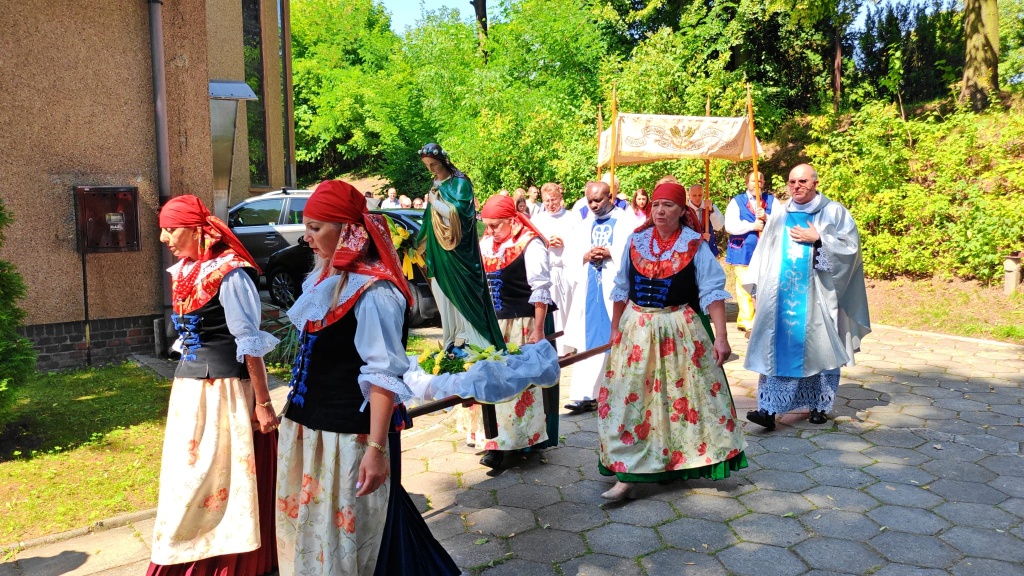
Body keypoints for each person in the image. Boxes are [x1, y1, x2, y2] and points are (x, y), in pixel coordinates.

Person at [276, 180, 457, 576]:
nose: (306, 238)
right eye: (306, 227)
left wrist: (376, 450)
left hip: (350, 438)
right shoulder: (322, 281)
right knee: (317, 534)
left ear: (348, 231)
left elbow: (382, 376)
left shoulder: (375, 293)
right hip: (313, 432)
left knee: (361, 536)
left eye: (315, 228)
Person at [150, 195, 279, 576]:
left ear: (197, 230)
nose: (163, 238)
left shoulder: (231, 273)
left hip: (225, 392)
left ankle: (229, 561)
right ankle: (190, 554)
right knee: (188, 479)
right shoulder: (187, 269)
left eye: (170, 229)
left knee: (220, 478)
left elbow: (249, 343)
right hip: (190, 393)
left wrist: (262, 402)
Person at [597, 182, 747, 500]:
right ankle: (627, 473)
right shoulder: (635, 241)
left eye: (668, 205)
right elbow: (622, 288)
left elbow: (712, 293)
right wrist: (614, 329)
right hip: (637, 330)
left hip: (679, 329)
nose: (660, 211)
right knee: (633, 400)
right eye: (656, 205)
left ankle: (671, 462)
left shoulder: (694, 245)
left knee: (680, 399)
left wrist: (721, 338)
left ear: (682, 211)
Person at [743, 164, 871, 429]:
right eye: (792, 182)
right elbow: (765, 251)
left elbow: (850, 249)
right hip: (780, 297)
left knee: (819, 348)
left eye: (802, 181)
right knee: (774, 348)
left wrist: (820, 239)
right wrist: (757, 287)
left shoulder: (833, 212)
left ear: (815, 183)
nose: (796, 186)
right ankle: (768, 410)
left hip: (818, 296)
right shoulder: (780, 214)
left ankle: (818, 406)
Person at [460, 194, 555, 468]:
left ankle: (517, 442)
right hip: (492, 326)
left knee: (518, 384)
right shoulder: (486, 244)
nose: (489, 231)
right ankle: (492, 440)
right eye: (486, 225)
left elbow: (540, 289)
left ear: (511, 220)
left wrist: (539, 330)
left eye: (495, 225)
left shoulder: (530, 244)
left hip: (521, 325)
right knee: (489, 380)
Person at [417, 143, 505, 351]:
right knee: (441, 290)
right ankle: (453, 338)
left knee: (465, 294)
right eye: (427, 165)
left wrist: (435, 202)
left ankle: (473, 340)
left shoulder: (460, 183)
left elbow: (460, 214)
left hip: (460, 252)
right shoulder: (435, 184)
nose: (431, 169)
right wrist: (416, 242)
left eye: (433, 164)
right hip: (439, 250)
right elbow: (429, 219)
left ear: (443, 161)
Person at [563, 181, 639, 413]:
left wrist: (610, 252)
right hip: (590, 289)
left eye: (598, 200)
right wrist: (585, 256)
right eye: (590, 201)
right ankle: (585, 394)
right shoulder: (584, 224)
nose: (594, 205)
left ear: (611, 196)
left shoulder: (626, 221)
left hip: (615, 288)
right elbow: (570, 254)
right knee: (589, 339)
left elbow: (634, 250)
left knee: (616, 337)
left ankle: (618, 392)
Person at [725, 171, 774, 334]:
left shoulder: (771, 201)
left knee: (762, 285)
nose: (757, 184)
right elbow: (730, 226)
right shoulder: (737, 202)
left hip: (766, 250)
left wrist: (767, 217)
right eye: (753, 181)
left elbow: (782, 221)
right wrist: (752, 226)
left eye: (760, 181)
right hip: (743, 250)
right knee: (747, 285)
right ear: (747, 183)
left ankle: (755, 318)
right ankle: (748, 321)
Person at [532, 183, 574, 354]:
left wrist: (565, 243)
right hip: (547, 271)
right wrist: (546, 243)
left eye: (553, 199)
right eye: (547, 201)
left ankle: (567, 346)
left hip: (565, 270)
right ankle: (551, 344)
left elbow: (579, 242)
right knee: (549, 310)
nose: (550, 204)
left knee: (566, 308)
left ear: (560, 198)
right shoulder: (537, 220)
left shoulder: (571, 218)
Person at [687, 184, 724, 256]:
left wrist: (712, 211)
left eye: (700, 195)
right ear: (689, 195)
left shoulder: (709, 206)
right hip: (691, 251)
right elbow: (681, 232)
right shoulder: (684, 209)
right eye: (694, 195)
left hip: (709, 248)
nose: (697, 198)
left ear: (703, 195)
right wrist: (700, 236)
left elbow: (719, 226)